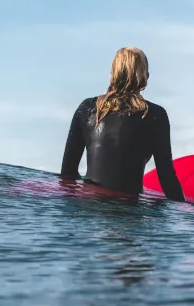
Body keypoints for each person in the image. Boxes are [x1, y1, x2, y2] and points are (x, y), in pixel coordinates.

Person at [60, 47, 185, 202]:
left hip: (88, 204)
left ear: (112, 73)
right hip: (128, 207)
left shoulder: (87, 108)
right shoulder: (154, 115)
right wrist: (187, 209)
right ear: (145, 76)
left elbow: (67, 174)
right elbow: (166, 176)